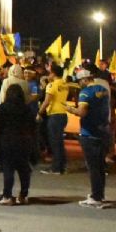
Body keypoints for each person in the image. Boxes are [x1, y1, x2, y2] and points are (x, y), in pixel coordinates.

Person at [66, 69, 110, 208]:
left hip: (89, 133)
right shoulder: (103, 90)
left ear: (85, 80)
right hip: (102, 131)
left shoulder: (85, 93)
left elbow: (82, 112)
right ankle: (99, 194)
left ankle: (96, 197)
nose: (79, 84)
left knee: (93, 167)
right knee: (100, 166)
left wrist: (71, 110)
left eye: (80, 81)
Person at [0, 84, 36, 205]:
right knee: (24, 169)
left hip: (7, 140)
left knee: (8, 169)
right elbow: (32, 126)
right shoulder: (26, 108)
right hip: (24, 141)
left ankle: (7, 195)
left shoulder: (2, 108)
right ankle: (23, 195)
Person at [39, 64, 69, 175]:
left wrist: (39, 113)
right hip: (63, 114)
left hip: (54, 115)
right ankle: (62, 166)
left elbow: (46, 101)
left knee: (54, 142)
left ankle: (56, 168)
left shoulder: (52, 85)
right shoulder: (64, 84)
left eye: (50, 73)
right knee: (60, 142)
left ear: (53, 73)